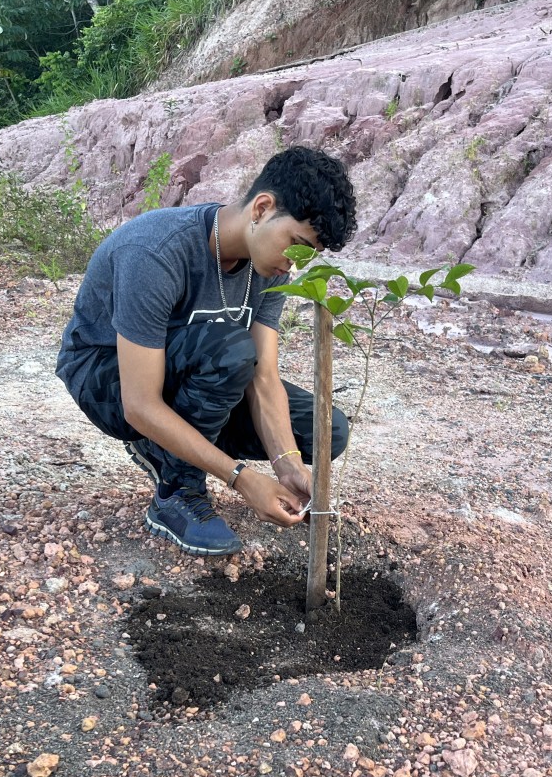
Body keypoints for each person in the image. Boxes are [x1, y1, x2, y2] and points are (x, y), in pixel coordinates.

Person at [56, 146, 357, 556]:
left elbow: (264, 377)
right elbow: (140, 404)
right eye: (295, 245)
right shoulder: (156, 251)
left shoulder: (268, 266)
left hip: (193, 375)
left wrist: (286, 465)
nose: (294, 265)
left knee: (327, 430)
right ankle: (177, 491)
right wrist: (242, 478)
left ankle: (167, 445)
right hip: (108, 378)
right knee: (229, 350)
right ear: (262, 208)